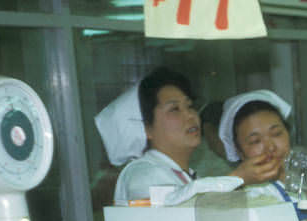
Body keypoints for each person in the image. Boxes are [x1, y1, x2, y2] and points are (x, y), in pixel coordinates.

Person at [94, 68, 277, 206]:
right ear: (146, 128)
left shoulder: (182, 174)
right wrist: (237, 178)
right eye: (175, 109)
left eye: (190, 106)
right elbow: (175, 210)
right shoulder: (141, 174)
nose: (191, 116)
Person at [218, 90, 297, 205]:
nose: (270, 147)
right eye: (255, 141)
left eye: (276, 133)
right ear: (239, 151)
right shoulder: (248, 198)